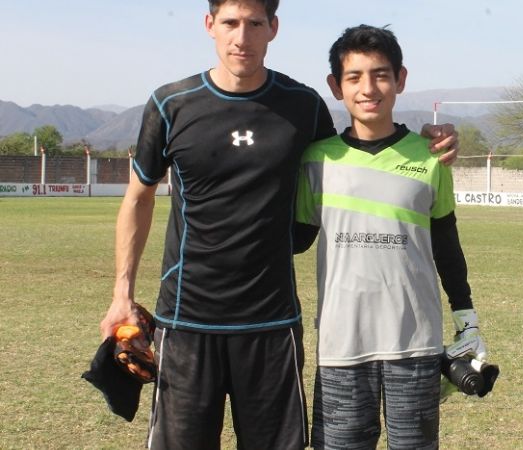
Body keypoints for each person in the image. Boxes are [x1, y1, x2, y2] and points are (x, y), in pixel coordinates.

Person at [98, 1, 459, 449]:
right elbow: (137, 198)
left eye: (254, 24)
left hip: (272, 324)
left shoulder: (302, 106)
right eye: (230, 23)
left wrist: (430, 140)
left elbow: (358, 148)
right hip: (187, 320)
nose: (241, 37)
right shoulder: (170, 103)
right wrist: (121, 296)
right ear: (210, 25)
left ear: (273, 28)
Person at [293, 24, 488, 450]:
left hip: (415, 343)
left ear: (400, 79)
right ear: (336, 86)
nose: (369, 88)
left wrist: (466, 319)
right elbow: (295, 241)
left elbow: (446, 244)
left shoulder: (432, 157)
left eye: (381, 74)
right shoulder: (316, 159)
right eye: (354, 77)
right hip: (340, 343)